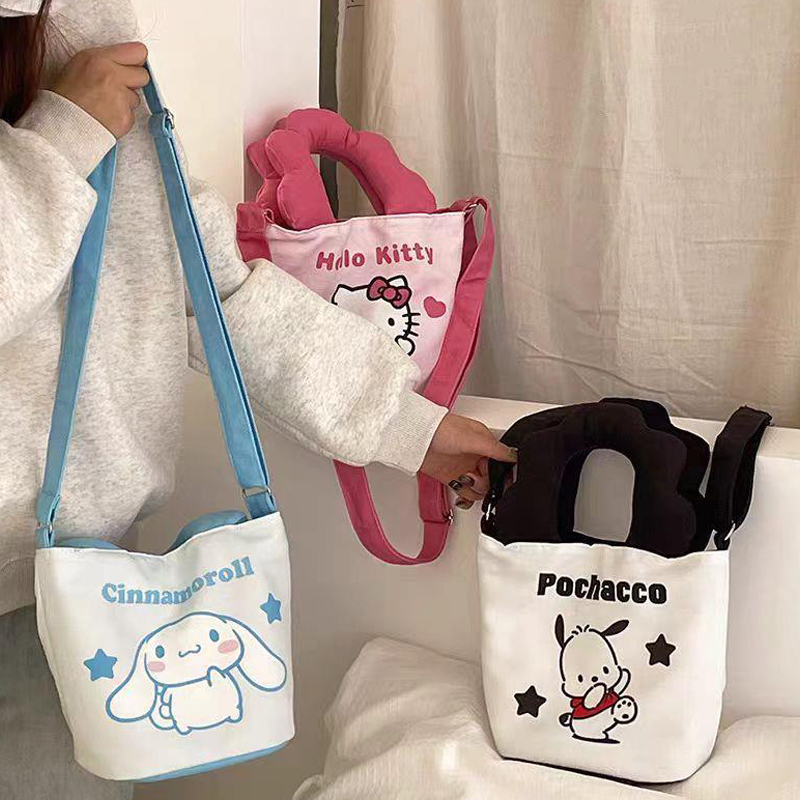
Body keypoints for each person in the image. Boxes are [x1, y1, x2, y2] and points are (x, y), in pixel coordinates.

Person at [0, 0, 515, 796]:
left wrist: (408, 426)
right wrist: (59, 144)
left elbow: (226, 300)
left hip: (81, 585)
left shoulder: (95, 96)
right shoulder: (78, 119)